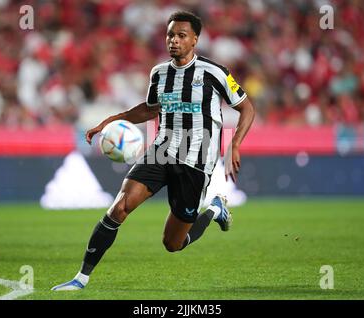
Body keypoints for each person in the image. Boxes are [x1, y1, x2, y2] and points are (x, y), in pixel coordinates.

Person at [51, 11, 255, 291]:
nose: (174, 40)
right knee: (119, 207)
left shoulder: (214, 73)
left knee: (173, 243)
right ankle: (81, 278)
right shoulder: (159, 73)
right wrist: (112, 121)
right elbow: (149, 109)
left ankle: (214, 210)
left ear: (195, 39)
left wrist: (235, 143)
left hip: (196, 161)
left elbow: (246, 107)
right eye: (170, 34)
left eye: (181, 35)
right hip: (160, 151)